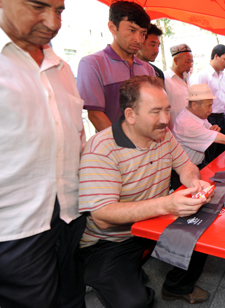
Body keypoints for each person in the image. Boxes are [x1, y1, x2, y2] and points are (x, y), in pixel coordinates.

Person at [78, 76, 210, 308]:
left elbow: (186, 166)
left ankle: (176, 287)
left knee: (204, 231)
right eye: (155, 111)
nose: (165, 120)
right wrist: (166, 205)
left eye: (167, 110)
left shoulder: (162, 135)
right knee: (134, 302)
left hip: (153, 223)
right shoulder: (101, 149)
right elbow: (102, 214)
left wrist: (194, 183)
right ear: (130, 115)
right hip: (111, 241)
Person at [0, 1, 86, 307]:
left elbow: (75, 134)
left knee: (72, 298)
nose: (52, 22)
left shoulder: (61, 68)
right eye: (38, 6)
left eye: (60, 10)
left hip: (70, 213)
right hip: (16, 227)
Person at [77, 0, 155, 132]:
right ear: (112, 27)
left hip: (147, 144)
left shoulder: (148, 69)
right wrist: (122, 147)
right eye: (131, 30)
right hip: (115, 147)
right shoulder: (92, 64)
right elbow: (95, 115)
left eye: (142, 33)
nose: (138, 39)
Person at [194, 44, 225, 162]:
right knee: (211, 154)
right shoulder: (203, 76)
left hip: (222, 118)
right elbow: (197, 102)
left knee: (223, 153)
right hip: (209, 119)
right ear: (216, 56)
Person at [164, 43, 193, 130]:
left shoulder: (188, 79)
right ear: (176, 61)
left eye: (191, 62)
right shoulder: (165, 79)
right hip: (174, 134)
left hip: (191, 131)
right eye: (187, 62)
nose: (190, 65)